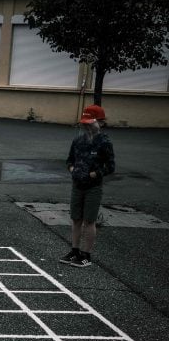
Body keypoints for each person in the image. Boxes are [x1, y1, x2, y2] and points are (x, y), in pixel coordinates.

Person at [58, 108, 115, 268]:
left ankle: (86, 255)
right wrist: (72, 170)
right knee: (76, 218)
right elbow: (69, 160)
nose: (87, 127)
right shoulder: (78, 140)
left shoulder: (104, 142)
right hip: (77, 185)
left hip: (93, 187)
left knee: (89, 221)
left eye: (90, 123)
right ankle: (74, 251)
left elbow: (110, 167)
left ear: (100, 122)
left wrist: (94, 174)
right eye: (85, 124)